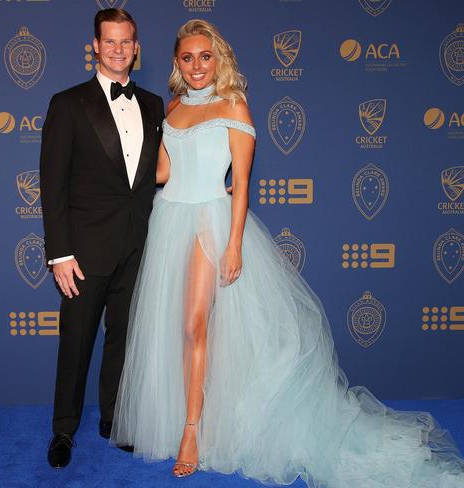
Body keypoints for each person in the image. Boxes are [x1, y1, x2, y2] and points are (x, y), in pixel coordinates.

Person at [111, 19, 464, 486]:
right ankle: (196, 417)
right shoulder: (172, 108)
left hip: (209, 224)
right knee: (178, 331)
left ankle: (192, 431)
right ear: (176, 63)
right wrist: (115, 154)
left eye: (205, 56)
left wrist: (233, 243)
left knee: (194, 323)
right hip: (168, 219)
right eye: (187, 57)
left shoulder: (234, 103)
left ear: (219, 59)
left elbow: (241, 187)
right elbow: (160, 173)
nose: (196, 65)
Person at [39, 8, 164, 468]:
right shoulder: (67, 103)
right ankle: (63, 430)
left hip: (139, 244)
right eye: (109, 41)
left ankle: (115, 419)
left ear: (136, 47)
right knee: (76, 341)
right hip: (85, 250)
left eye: (125, 41)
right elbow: (53, 185)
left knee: (125, 338)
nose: (117, 49)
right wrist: (60, 254)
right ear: (95, 45)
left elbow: (162, 170)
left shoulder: (153, 104)